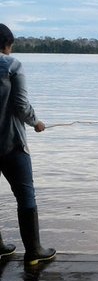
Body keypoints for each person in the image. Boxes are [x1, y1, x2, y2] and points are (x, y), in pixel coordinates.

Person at [0, 23, 56, 266]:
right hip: (11, 143)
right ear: (7, 44)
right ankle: (33, 251)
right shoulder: (12, 65)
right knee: (25, 194)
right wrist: (36, 122)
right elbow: (21, 107)